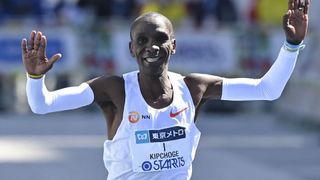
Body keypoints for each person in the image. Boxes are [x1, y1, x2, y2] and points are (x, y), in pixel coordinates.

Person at [21, 0, 310, 179]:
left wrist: (292, 46)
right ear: (131, 48)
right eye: (143, 41)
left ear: (174, 45)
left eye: (160, 39)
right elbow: (42, 105)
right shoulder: (115, 89)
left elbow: (267, 90)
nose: (152, 47)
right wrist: (35, 79)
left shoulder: (194, 88)